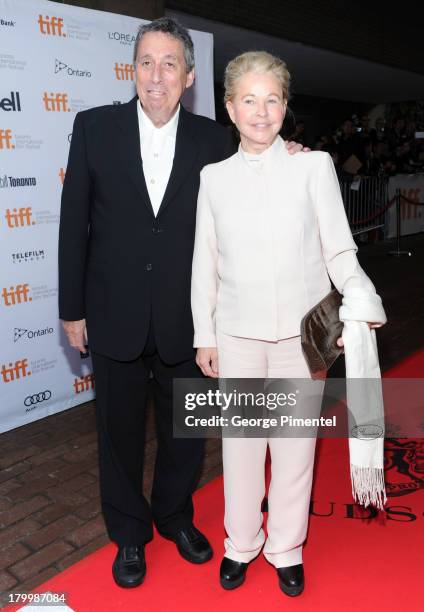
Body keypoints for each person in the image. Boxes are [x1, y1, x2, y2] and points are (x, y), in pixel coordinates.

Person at [58, 18, 304, 589]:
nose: (156, 74)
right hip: (113, 313)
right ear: (132, 69)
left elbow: (258, 168)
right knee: (117, 436)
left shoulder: (216, 141)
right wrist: (72, 309)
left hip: (190, 320)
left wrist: (287, 152)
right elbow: (74, 225)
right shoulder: (93, 128)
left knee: (186, 433)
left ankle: (174, 517)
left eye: (170, 63)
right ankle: (129, 535)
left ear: (189, 76)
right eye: (146, 61)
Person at [191, 51, 386, 597]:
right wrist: (203, 334)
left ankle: (285, 548)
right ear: (230, 108)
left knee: (296, 449)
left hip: (303, 338)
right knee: (242, 446)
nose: (261, 111)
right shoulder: (213, 178)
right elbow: (204, 261)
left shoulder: (313, 167)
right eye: (249, 100)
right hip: (236, 335)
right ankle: (240, 544)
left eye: (272, 99)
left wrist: (360, 295)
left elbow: (339, 250)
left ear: (285, 107)